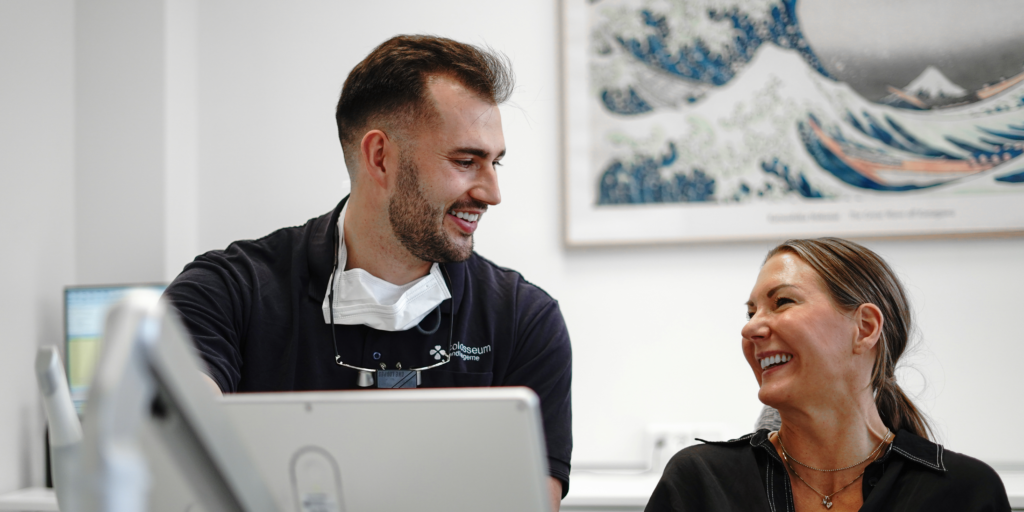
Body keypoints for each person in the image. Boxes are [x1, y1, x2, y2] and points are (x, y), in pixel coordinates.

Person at [163, 35, 571, 509]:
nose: (491, 192)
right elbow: (174, 447)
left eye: (495, 163)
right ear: (380, 157)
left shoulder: (524, 320)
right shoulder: (227, 290)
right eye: (466, 161)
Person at [645, 238, 1009, 512]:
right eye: (750, 313)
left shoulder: (962, 492)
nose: (751, 329)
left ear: (864, 328)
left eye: (782, 302)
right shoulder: (701, 483)